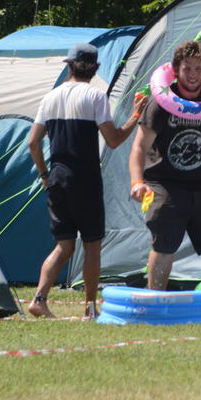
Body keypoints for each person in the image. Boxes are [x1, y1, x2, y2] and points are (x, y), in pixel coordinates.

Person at [27, 43, 148, 319]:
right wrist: (136, 116)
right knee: (92, 244)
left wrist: (45, 175)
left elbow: (33, 143)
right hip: (85, 178)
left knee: (64, 245)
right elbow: (114, 140)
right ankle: (90, 309)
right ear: (94, 68)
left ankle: (39, 298)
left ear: (69, 65)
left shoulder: (50, 97)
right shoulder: (95, 96)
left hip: (57, 178)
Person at [128, 40, 201, 290]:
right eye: (187, 68)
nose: (192, 75)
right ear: (176, 70)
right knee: (165, 239)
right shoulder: (161, 103)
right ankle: (155, 296)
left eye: (198, 69)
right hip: (163, 183)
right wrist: (137, 182)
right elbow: (139, 147)